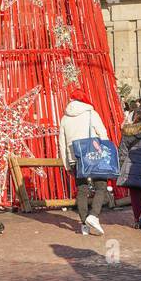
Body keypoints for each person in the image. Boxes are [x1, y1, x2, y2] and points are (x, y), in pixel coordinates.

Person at [58, 91, 114, 236]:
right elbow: (103, 134)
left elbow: (62, 144)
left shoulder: (64, 118)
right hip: (93, 155)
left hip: (76, 158)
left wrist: (67, 164)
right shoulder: (91, 114)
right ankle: (94, 215)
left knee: (82, 190)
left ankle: (84, 225)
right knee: (101, 186)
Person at [117, 106, 141, 225]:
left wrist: (122, 168)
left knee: (135, 195)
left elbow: (122, 152)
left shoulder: (128, 132)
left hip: (131, 166)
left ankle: (137, 219)